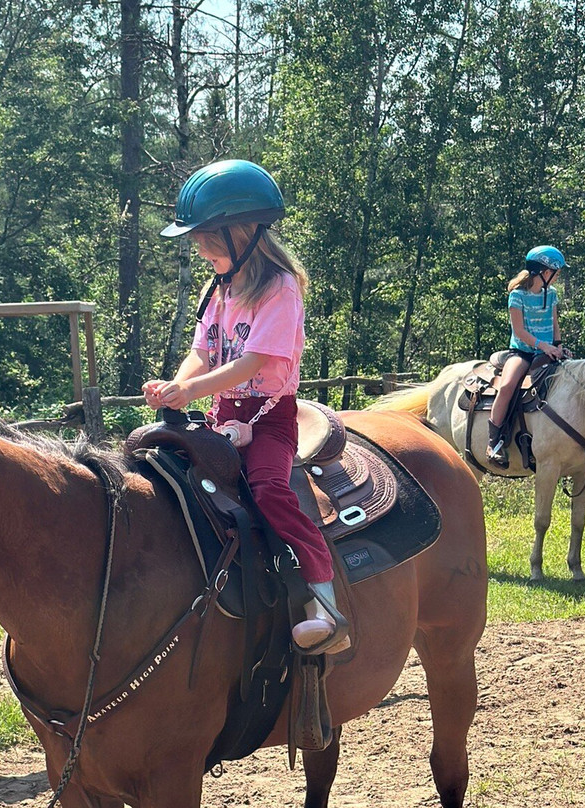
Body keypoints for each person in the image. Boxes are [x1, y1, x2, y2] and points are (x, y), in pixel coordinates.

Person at [143, 158, 349, 655]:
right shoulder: (219, 289)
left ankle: (324, 603)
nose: (199, 246)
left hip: (269, 416)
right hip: (222, 412)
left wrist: (191, 391)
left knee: (269, 488)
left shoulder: (279, 289)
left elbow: (256, 360)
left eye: (207, 235)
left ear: (242, 233)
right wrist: (176, 386)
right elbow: (203, 351)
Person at [486, 245, 574, 468]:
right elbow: (520, 332)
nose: (557, 277)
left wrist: (559, 346)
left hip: (548, 350)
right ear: (545, 272)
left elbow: (555, 324)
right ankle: (493, 442)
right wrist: (543, 347)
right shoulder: (517, 296)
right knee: (507, 387)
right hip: (523, 351)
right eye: (556, 272)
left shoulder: (551, 294)